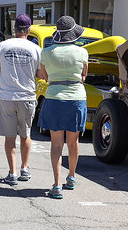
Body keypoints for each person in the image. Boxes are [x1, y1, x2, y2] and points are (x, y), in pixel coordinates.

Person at [35, 16, 90, 199]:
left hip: (54, 97)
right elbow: (84, 76)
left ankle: (57, 184)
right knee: (73, 142)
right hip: (76, 97)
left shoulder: (47, 52)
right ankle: (72, 177)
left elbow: (43, 76)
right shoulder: (82, 52)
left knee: (56, 143)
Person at [0, 14, 42, 186]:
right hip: (27, 96)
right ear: (29, 29)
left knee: (10, 137)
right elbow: (41, 75)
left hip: (7, 96)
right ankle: (25, 169)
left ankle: (12, 173)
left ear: (15, 29)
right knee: (25, 134)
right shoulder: (35, 49)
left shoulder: (3, 46)